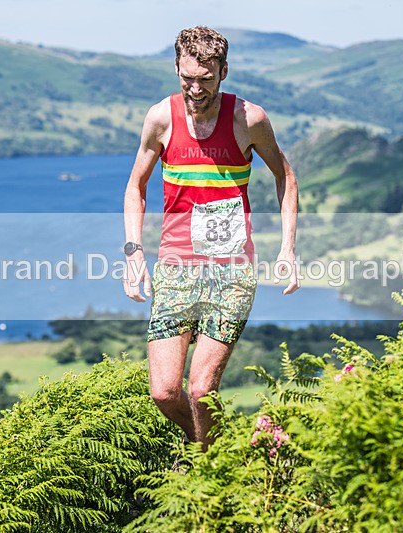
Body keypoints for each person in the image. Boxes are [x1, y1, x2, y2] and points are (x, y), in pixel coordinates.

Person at [123, 26, 299, 450]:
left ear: (224, 71)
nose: (195, 88)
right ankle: (208, 446)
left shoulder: (248, 119)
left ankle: (207, 473)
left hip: (231, 270)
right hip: (176, 269)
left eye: (205, 78)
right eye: (187, 78)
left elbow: (286, 177)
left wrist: (288, 249)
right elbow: (135, 187)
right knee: (165, 392)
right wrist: (133, 252)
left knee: (202, 389)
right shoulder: (161, 118)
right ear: (177, 69)